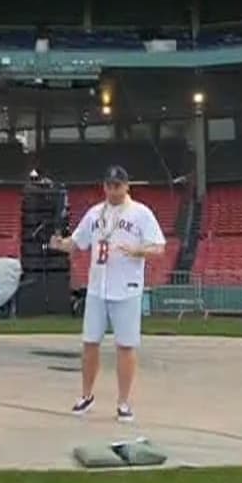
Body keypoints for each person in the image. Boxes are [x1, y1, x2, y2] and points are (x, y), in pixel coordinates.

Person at [50, 164, 165, 422]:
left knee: (125, 345)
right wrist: (59, 244)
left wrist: (139, 251)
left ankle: (123, 401)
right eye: (109, 186)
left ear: (126, 186)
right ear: (104, 186)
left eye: (118, 186)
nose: (113, 191)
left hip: (126, 288)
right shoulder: (94, 213)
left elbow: (159, 247)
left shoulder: (140, 213)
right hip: (97, 288)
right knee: (90, 342)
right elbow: (77, 243)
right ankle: (86, 394)